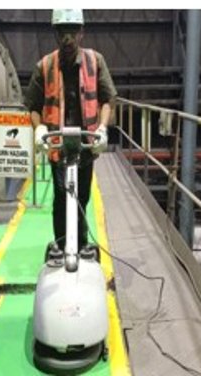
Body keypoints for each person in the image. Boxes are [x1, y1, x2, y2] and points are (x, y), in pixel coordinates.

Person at [23, 15, 116, 257]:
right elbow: (32, 105)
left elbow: (108, 99)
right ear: (56, 33)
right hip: (58, 143)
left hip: (86, 143)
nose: (68, 38)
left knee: (82, 195)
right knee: (62, 196)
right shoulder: (44, 66)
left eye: (72, 32)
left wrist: (103, 128)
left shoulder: (96, 62)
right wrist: (39, 129)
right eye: (63, 32)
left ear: (81, 32)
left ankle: (82, 243)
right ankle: (62, 244)